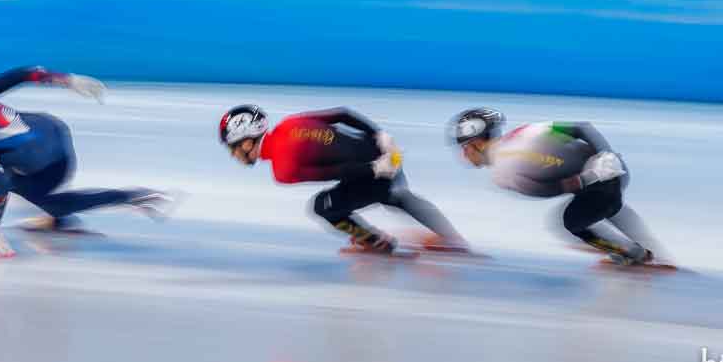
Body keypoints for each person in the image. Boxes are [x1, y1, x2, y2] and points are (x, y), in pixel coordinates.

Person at [0, 67, 173, 258]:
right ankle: (60, 221)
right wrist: (68, 80)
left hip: (44, 165)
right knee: (1, 158)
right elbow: (24, 73)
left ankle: (134, 197)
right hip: (56, 132)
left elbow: (1, 182)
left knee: (28, 187)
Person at [219, 103, 468, 255]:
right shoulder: (290, 123)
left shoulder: (283, 170)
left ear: (248, 141)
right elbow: (343, 114)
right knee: (397, 197)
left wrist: (376, 169)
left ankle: (375, 242)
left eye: (233, 148)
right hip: (383, 149)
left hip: (373, 170)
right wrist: (380, 135)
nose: (233, 155)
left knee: (323, 207)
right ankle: (452, 237)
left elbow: (339, 171)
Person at [448, 107, 669, 267]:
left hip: (602, 185)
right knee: (604, 208)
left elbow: (548, 190)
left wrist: (587, 177)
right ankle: (648, 251)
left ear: (476, 143)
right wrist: (606, 154)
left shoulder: (502, 173)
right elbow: (582, 128)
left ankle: (633, 253)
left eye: (464, 148)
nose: (463, 155)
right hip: (613, 171)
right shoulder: (525, 131)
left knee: (571, 222)